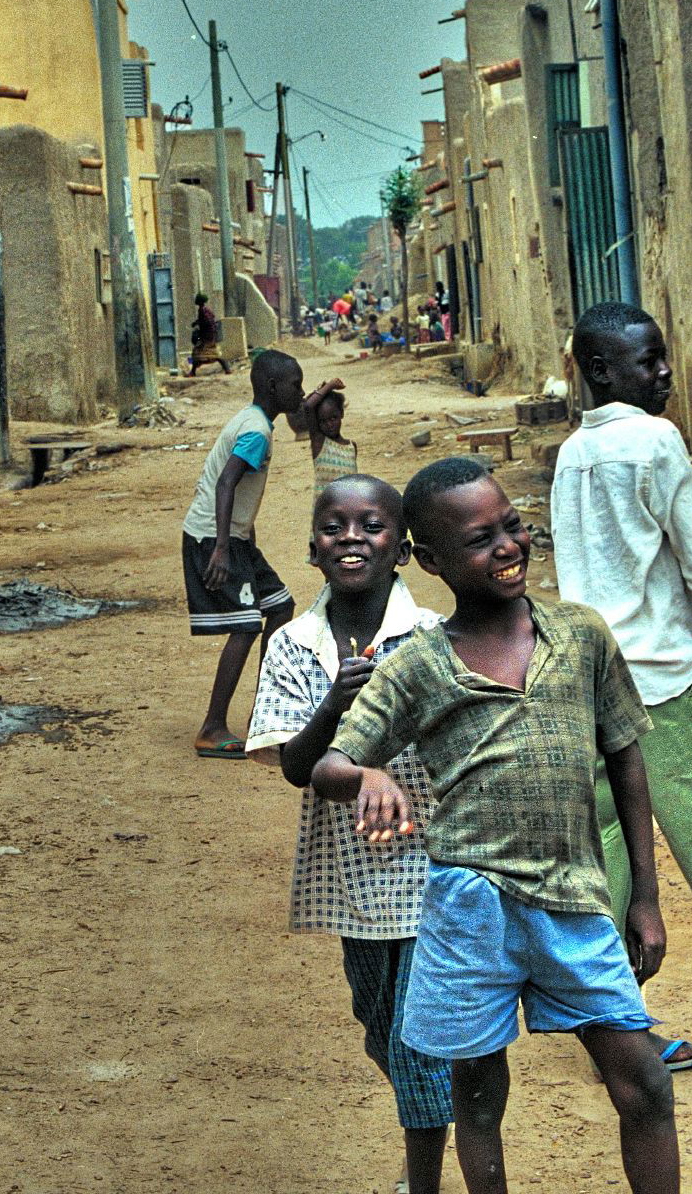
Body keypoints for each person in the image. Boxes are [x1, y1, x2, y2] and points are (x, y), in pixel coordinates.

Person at [310, 457, 677, 1193]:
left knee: (644, 1083)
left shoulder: (580, 636)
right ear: (431, 561)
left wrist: (644, 895)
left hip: (571, 902)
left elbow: (626, 761)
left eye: (512, 527)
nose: (507, 547)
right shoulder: (417, 666)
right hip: (466, 911)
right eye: (482, 540)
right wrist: (370, 775)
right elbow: (329, 767)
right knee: (476, 1095)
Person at [246, 477, 451, 1194]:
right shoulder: (295, 647)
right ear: (312, 550)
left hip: (431, 865)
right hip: (353, 878)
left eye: (372, 525)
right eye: (335, 527)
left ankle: (419, 1176)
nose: (353, 537)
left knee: (415, 1038)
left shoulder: (430, 639)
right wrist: (337, 703)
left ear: (401, 550)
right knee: (376, 1021)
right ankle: (428, 1102)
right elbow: (297, 768)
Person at [552, 300, 692, 1071]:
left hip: (592, 683)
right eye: (650, 361)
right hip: (666, 685)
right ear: (602, 371)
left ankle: (625, 1027)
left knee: (607, 857)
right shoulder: (658, 438)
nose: (666, 371)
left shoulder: (573, 452)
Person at [182, 350, 304, 758]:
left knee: (281, 607)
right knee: (247, 625)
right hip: (215, 538)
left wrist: (244, 542)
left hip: (236, 539)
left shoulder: (256, 420)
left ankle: (262, 715)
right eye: (295, 385)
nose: (299, 392)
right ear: (273, 387)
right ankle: (213, 727)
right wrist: (221, 548)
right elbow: (225, 484)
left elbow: (304, 412)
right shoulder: (257, 432)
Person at [304, 377, 357, 501]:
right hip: (326, 513)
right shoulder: (320, 443)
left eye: (333, 418)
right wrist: (330, 385)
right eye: (323, 421)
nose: (329, 424)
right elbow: (308, 406)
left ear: (341, 414)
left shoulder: (351, 447)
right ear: (317, 422)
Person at [188, 292, 231, 376]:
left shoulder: (202, 310)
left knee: (197, 353)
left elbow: (206, 321)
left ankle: (192, 372)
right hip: (211, 334)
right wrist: (197, 322)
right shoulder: (205, 309)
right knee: (213, 353)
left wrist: (200, 326)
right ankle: (227, 369)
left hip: (207, 336)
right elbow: (210, 318)